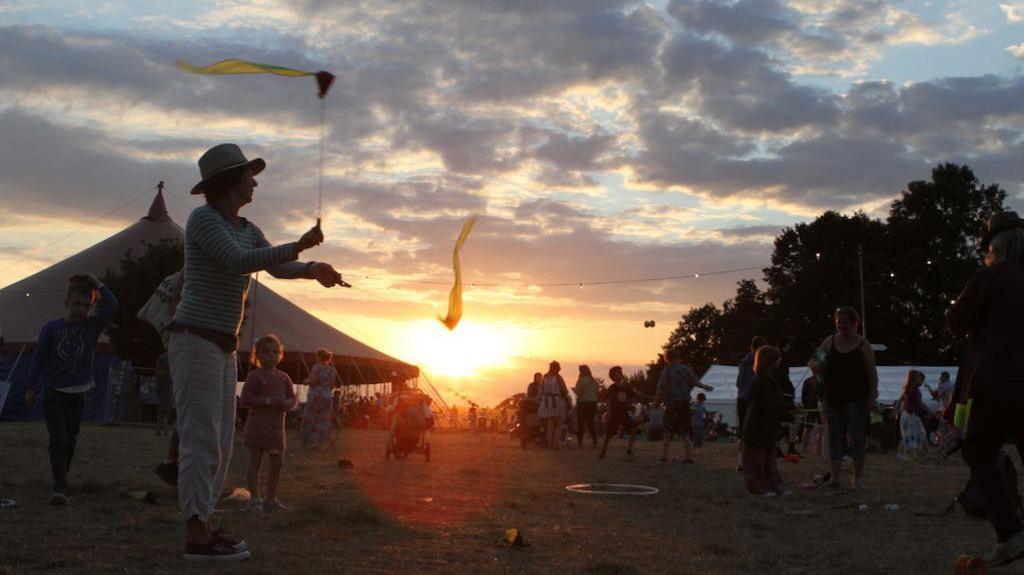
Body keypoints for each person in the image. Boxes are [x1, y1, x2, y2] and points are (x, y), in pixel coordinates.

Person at [168, 143, 343, 560]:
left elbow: (273, 265)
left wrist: (309, 269)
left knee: (224, 441)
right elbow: (238, 261)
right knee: (202, 439)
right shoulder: (203, 221)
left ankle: (204, 525)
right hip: (195, 339)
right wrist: (297, 245)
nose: (255, 181)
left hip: (222, 345)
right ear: (230, 181)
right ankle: (196, 535)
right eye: (249, 174)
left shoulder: (246, 226)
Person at [948, 211, 1024, 565]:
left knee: (979, 451)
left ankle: (1010, 531)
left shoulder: (989, 278)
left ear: (994, 246)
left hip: (996, 382)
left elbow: (955, 321)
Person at [23, 273, 118, 506]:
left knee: (71, 440)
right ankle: (59, 484)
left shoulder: (91, 327)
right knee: (59, 437)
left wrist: (97, 284)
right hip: (54, 391)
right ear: (66, 303)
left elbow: (113, 306)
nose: (82, 310)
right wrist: (31, 387)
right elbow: (38, 359)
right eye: (77, 304)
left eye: (87, 305)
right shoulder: (52, 329)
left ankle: (62, 477)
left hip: (78, 393)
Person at [811, 307, 878, 490]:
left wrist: (873, 397)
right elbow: (814, 362)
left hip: (857, 399)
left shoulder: (863, 345)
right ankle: (835, 478)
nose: (842, 326)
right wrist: (819, 377)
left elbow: (871, 372)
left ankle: (857, 479)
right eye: (839, 322)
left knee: (857, 438)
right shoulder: (829, 342)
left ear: (855, 323)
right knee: (835, 438)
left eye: (846, 322)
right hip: (833, 398)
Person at [240, 335, 297, 512]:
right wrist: (268, 401)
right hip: (257, 428)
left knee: (277, 463)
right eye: (266, 352)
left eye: (274, 352)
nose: (270, 356)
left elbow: (291, 398)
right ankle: (254, 498)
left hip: (275, 430)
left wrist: (287, 404)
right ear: (257, 355)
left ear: (279, 355)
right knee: (254, 463)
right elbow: (245, 399)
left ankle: (270, 498)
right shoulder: (254, 376)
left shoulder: (283, 378)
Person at [742, 345, 787, 497]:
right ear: (771, 361)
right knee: (758, 461)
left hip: (763, 426)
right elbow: (768, 405)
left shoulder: (764, 380)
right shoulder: (765, 381)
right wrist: (783, 415)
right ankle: (758, 488)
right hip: (759, 426)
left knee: (768, 459)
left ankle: (773, 486)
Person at [654, 348, 714, 463]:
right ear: (678, 357)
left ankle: (664, 455)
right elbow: (696, 382)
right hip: (684, 403)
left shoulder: (667, 370)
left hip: (671, 404)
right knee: (684, 430)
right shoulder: (686, 370)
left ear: (667, 358)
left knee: (667, 430)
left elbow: (660, 388)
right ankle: (689, 456)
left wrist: (655, 402)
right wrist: (706, 387)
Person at [735, 336, 766, 471]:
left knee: (743, 431)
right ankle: (756, 462)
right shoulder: (761, 361)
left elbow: (738, 382)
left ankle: (741, 462)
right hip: (755, 399)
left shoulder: (743, 362)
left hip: (742, 399)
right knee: (758, 430)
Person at [598, 366, 639, 459]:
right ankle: (603, 451)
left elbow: (632, 397)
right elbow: (608, 400)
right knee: (609, 434)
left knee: (633, 429)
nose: (621, 374)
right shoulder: (612, 388)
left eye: (621, 372)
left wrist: (631, 402)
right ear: (613, 376)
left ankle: (629, 450)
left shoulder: (626, 387)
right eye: (618, 373)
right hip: (615, 413)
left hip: (624, 413)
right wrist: (608, 411)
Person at [301, 348, 337, 449]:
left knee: (312, 417)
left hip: (316, 396)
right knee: (324, 418)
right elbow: (332, 385)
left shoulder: (317, 367)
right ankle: (321, 442)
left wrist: (305, 381)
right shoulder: (331, 370)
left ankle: (309, 440)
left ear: (319, 357)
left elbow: (313, 380)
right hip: (327, 396)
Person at [896, 370, 930, 461]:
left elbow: (906, 402)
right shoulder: (915, 391)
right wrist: (927, 410)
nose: (920, 379)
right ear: (915, 379)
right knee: (911, 435)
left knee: (908, 435)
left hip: (908, 415)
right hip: (911, 417)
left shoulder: (908, 389)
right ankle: (905, 455)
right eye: (919, 377)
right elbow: (918, 404)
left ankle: (903, 454)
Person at [537, 361, 569, 449]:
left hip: (547, 401)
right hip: (557, 401)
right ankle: (555, 444)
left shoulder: (545, 377)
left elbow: (541, 390)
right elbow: (565, 390)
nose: (560, 369)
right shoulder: (558, 377)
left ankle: (550, 443)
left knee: (550, 423)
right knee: (559, 423)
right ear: (556, 368)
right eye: (559, 367)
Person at [573, 365, 599, 447]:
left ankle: (580, 442)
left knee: (581, 423)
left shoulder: (581, 380)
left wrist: (574, 390)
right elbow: (596, 391)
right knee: (591, 422)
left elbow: (578, 392)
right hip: (593, 403)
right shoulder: (593, 381)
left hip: (583, 402)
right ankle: (595, 441)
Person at [799, 375, 822, 456]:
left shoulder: (809, 380)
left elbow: (803, 395)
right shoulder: (811, 381)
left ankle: (817, 450)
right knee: (811, 427)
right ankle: (807, 448)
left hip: (814, 406)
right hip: (813, 406)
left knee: (817, 428)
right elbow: (804, 395)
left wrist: (805, 404)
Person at [155, 351, 174, 436]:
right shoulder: (164, 358)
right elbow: (160, 372)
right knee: (165, 407)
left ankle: (159, 429)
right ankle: (164, 429)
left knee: (165, 407)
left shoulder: (165, 358)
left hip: (166, 386)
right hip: (164, 386)